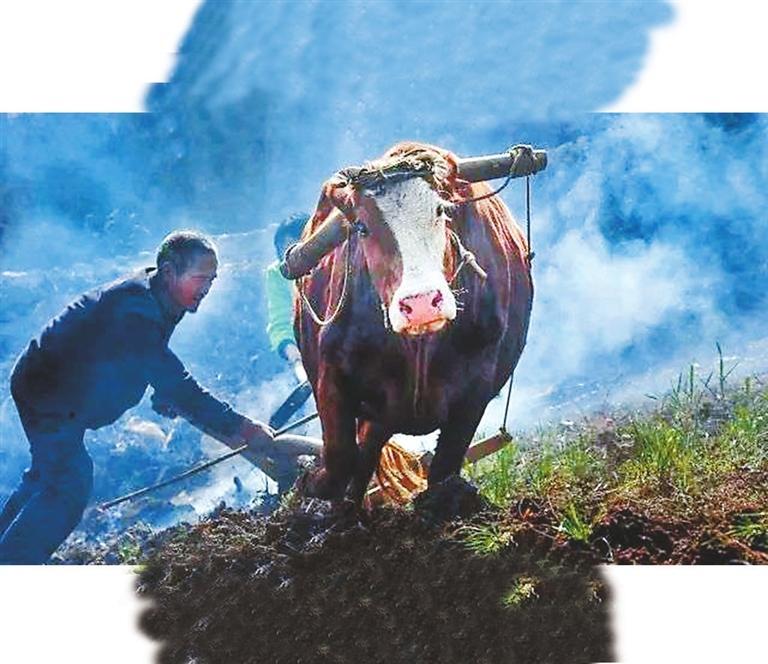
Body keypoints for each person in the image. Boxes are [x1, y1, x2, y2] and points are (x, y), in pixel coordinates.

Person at [0, 230, 319, 564]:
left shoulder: (163, 297)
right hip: (49, 391)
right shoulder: (134, 309)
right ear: (169, 272)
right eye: (200, 279)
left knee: (45, 476)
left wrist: (161, 388)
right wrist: (243, 427)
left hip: (51, 387)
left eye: (212, 280)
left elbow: (143, 357)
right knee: (67, 485)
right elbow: (174, 379)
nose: (207, 288)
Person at [265, 213, 309, 384]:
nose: (292, 262)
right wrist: (294, 356)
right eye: (286, 255)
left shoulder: (335, 265)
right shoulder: (277, 273)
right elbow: (280, 322)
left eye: (298, 253)